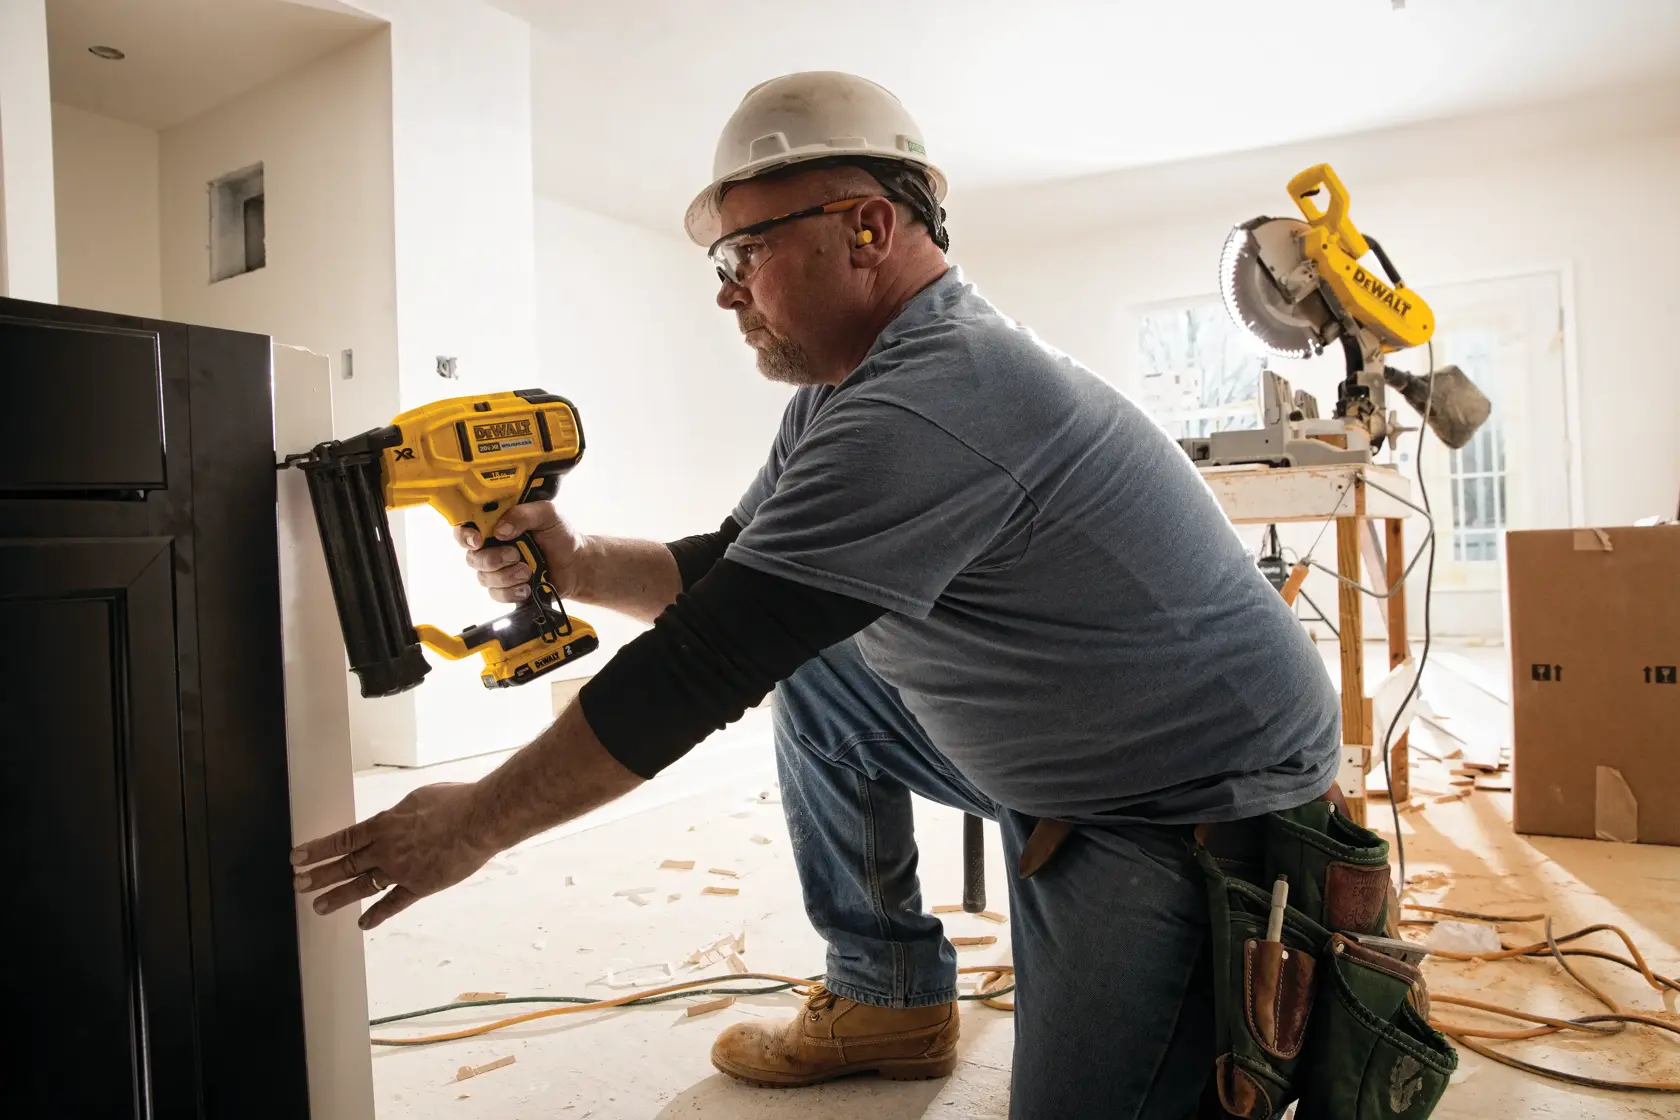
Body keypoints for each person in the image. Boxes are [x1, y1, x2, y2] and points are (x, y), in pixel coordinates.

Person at [291, 71, 1341, 1118]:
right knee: (826, 676)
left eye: (746, 251)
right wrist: (576, 560)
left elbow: (707, 662)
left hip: (1185, 799)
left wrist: (473, 820)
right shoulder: (848, 388)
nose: (725, 288)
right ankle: (888, 991)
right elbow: (731, 570)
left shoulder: (937, 399)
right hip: (1076, 736)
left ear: (869, 228)